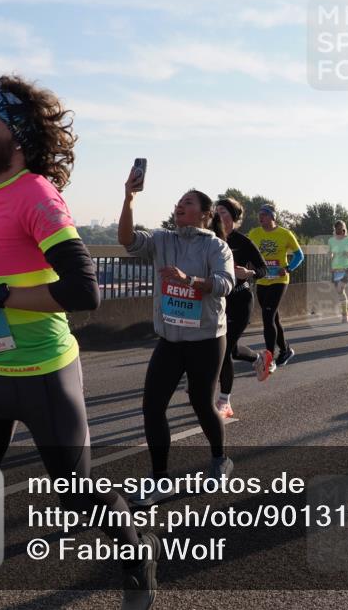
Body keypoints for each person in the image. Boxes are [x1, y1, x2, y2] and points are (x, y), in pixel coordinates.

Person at [0, 78, 159, 610]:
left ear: (22, 140)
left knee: (77, 496)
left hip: (43, 375)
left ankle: (136, 553)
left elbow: (83, 290)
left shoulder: (36, 193)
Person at [119, 182, 235, 503]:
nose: (179, 205)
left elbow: (225, 283)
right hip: (169, 340)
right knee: (152, 406)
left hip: (207, 340)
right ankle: (159, 479)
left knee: (200, 402)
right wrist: (129, 199)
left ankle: (219, 459)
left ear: (206, 214)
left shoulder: (216, 247)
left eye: (188, 202)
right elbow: (127, 241)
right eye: (179, 201)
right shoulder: (162, 240)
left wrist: (190, 281)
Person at [215, 197, 272, 420]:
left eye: (224, 213)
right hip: (218, 302)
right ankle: (259, 359)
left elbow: (263, 270)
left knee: (226, 349)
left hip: (240, 301)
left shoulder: (243, 241)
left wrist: (248, 274)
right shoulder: (210, 239)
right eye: (216, 212)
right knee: (230, 348)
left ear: (234, 218)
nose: (219, 217)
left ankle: (224, 401)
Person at [248, 205, 304, 366]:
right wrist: (250, 265)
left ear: (273, 217)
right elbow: (247, 253)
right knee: (273, 318)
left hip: (279, 281)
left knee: (267, 316)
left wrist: (287, 268)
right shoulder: (254, 233)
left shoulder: (285, 234)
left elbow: (299, 255)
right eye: (259, 214)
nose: (261, 217)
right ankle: (285, 350)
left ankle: (269, 357)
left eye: (264, 214)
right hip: (262, 280)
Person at [328, 220, 348, 323]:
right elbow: (330, 252)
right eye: (337, 228)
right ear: (335, 229)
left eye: (341, 228)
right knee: (340, 292)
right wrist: (330, 255)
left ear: (344, 228)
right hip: (335, 269)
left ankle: (345, 316)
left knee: (340, 289)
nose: (339, 230)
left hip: (346, 268)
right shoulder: (331, 240)